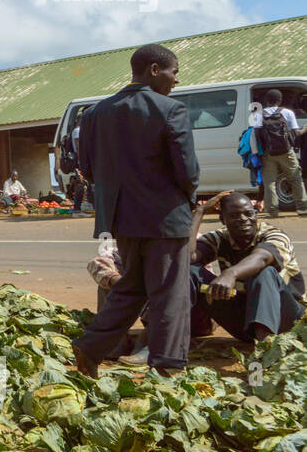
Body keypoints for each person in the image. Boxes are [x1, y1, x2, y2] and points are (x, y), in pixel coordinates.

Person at [71, 44, 201, 377]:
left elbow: (86, 168)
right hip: (165, 218)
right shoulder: (171, 109)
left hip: (122, 219)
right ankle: (168, 367)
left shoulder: (95, 114)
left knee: (133, 287)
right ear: (155, 69)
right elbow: (187, 171)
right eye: (174, 73)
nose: (175, 81)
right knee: (170, 293)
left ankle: (90, 347)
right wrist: (188, 200)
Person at [188, 191, 305, 343]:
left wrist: (231, 273)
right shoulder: (219, 238)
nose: (243, 219)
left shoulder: (274, 235)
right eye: (234, 216)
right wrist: (199, 212)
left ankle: (265, 349)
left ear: (256, 214)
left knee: (264, 272)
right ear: (223, 220)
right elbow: (187, 258)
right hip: (246, 321)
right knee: (188, 271)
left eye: (249, 213)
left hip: (289, 321)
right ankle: (192, 329)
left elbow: (261, 258)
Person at [255, 89, 307, 218]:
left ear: (266, 101)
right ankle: (302, 208)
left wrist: (260, 153)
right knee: (295, 178)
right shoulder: (287, 112)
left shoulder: (258, 114)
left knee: (269, 182)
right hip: (286, 152)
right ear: (280, 100)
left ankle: (272, 211)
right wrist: (305, 128)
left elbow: (256, 135)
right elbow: (296, 133)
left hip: (268, 154)